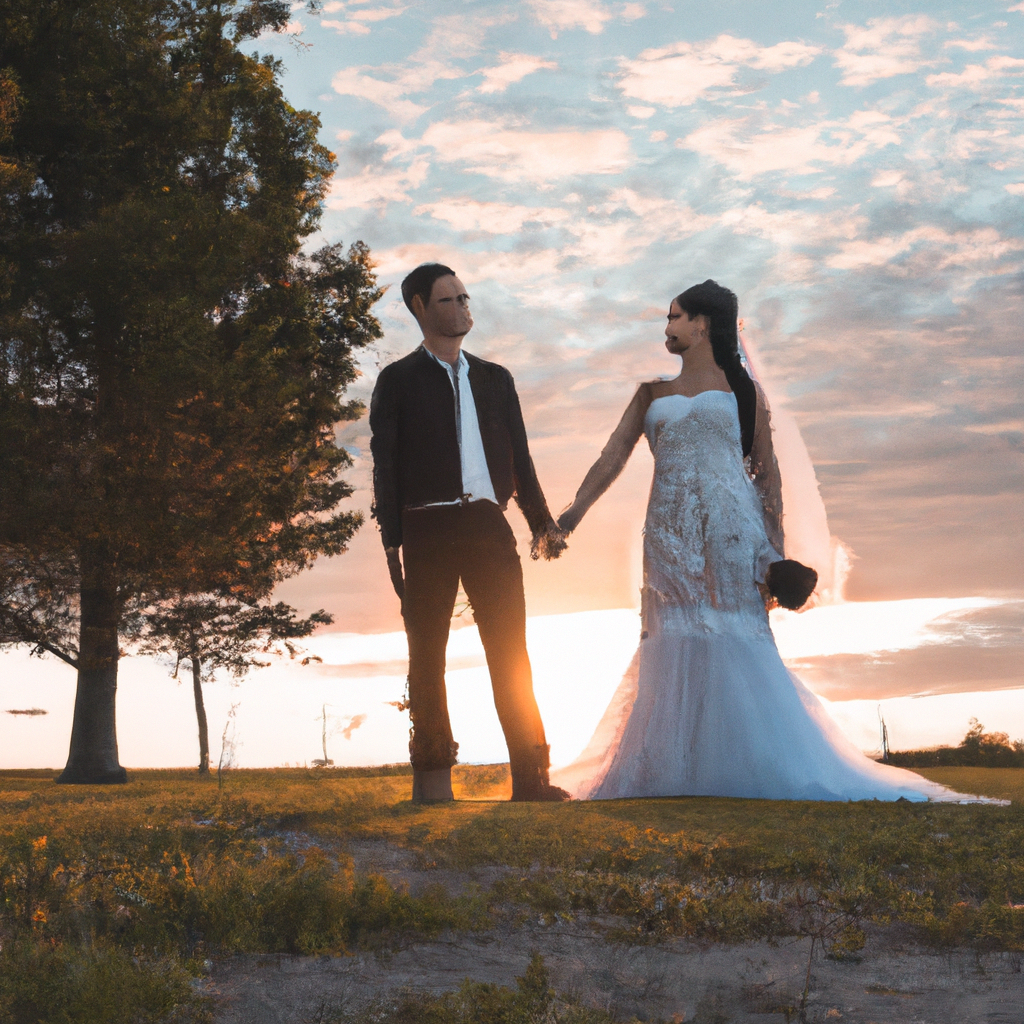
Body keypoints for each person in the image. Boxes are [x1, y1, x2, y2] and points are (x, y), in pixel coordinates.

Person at [552, 280, 979, 803]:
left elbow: (767, 479)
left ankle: (752, 766)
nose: (667, 328)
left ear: (703, 324)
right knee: (675, 635)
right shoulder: (651, 394)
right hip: (668, 534)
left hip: (734, 533)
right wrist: (570, 516)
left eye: (675, 317)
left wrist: (772, 555)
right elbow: (611, 458)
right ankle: (671, 770)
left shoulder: (746, 395)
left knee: (734, 632)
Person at [369, 263, 569, 804]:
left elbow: (521, 460)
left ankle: (531, 781)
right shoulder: (397, 381)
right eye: (448, 300)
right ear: (419, 308)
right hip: (425, 528)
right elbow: (384, 464)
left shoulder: (496, 378)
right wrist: (392, 540)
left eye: (464, 297)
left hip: (488, 526)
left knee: (511, 653)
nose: (462, 308)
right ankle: (432, 783)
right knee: (426, 656)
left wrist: (543, 525)